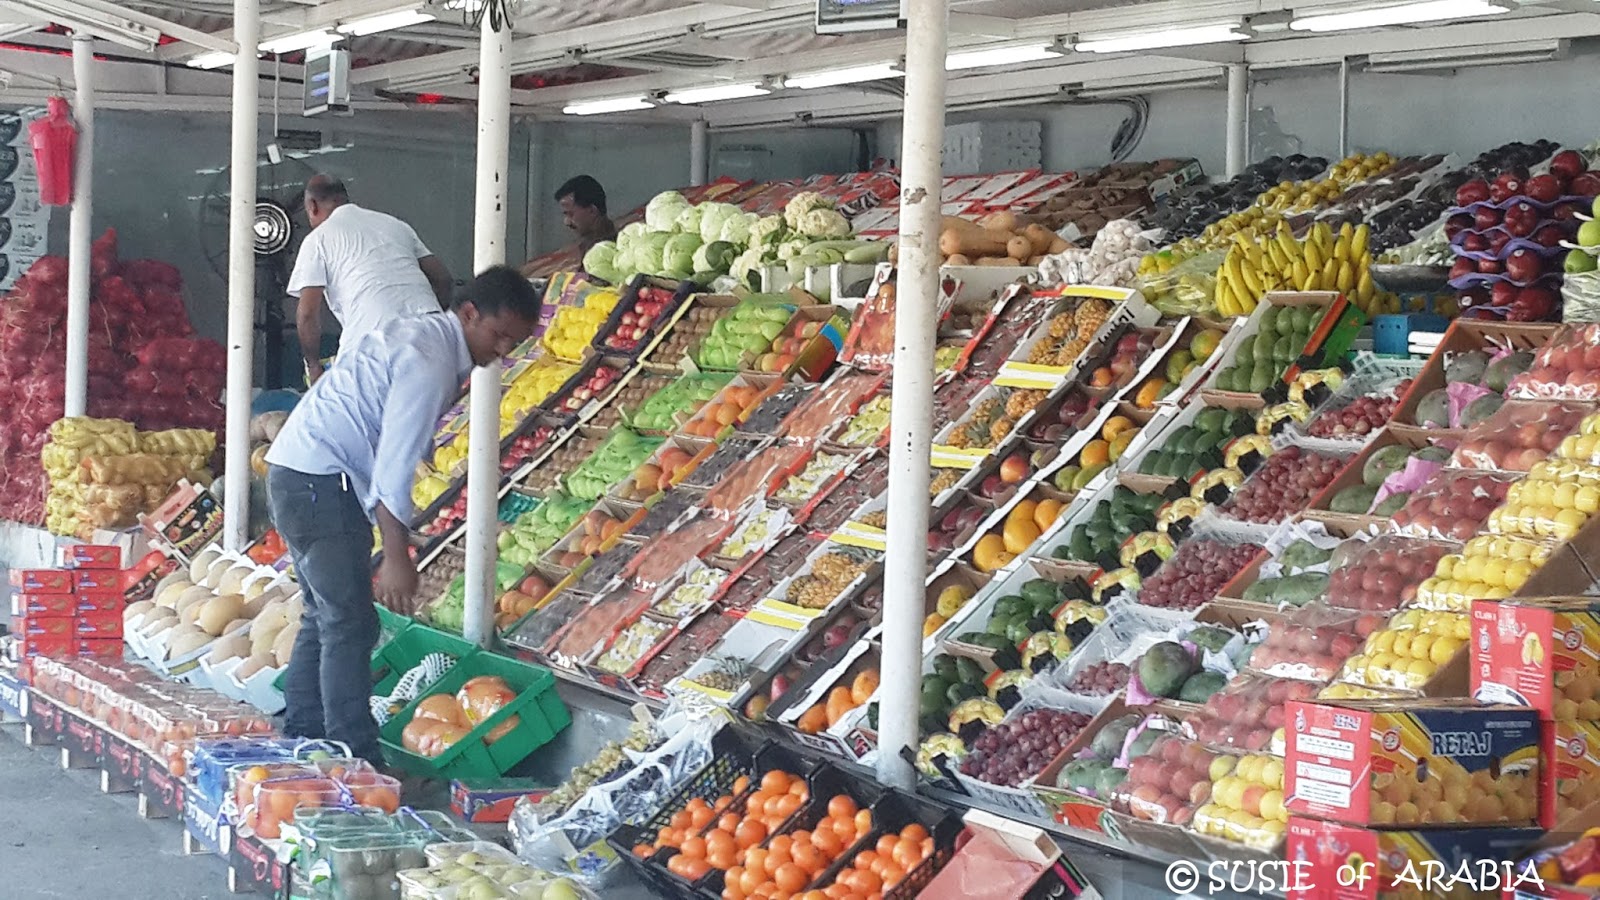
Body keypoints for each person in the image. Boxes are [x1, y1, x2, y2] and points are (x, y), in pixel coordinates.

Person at [264, 266, 541, 763]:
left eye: (513, 343)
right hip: (321, 482)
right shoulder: (431, 360)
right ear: (469, 313)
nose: (502, 352)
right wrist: (396, 555)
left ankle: (304, 736)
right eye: (498, 336)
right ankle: (355, 756)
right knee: (350, 622)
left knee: (325, 614)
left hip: (295, 470)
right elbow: (393, 463)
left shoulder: (422, 335)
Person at [288, 174, 455, 383]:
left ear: (312, 206)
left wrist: (313, 368)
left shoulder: (318, 239)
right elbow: (443, 279)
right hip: (434, 336)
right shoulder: (395, 225)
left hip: (374, 343)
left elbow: (307, 315)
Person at [523, 174, 617, 276]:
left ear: (592, 210)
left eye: (570, 214)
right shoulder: (585, 246)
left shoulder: (611, 251)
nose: (567, 222)